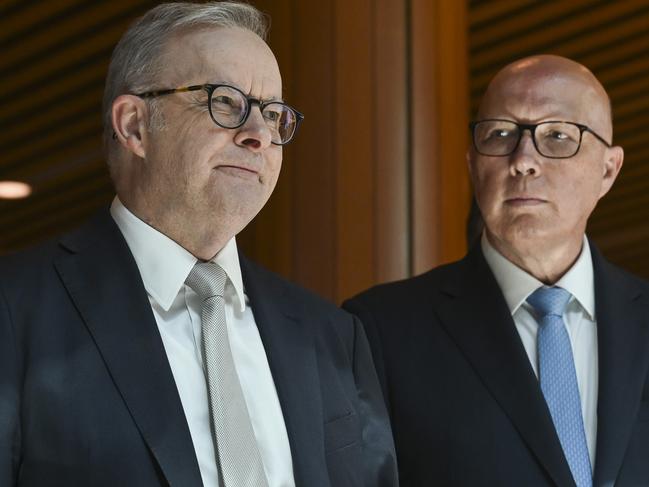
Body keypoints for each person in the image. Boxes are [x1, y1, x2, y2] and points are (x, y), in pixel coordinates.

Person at [0, 2, 397, 486]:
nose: (258, 135)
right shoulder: (16, 308)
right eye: (225, 101)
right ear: (134, 125)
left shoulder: (332, 335)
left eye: (272, 114)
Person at [344, 54, 648, 487]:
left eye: (558, 135)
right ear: (472, 163)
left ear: (608, 170)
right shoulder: (379, 330)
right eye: (501, 134)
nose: (523, 160)